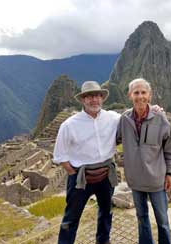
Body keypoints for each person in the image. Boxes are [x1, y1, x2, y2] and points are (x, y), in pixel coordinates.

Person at [53, 81, 120, 244]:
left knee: (106, 211)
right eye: (89, 96)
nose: (94, 100)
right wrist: (73, 173)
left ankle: (103, 241)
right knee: (71, 218)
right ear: (83, 99)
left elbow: (135, 116)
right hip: (80, 177)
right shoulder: (69, 125)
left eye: (97, 96)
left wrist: (154, 109)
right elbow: (60, 155)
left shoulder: (113, 118)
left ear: (102, 98)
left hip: (106, 175)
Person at [117, 78, 171, 244]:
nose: (140, 96)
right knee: (142, 218)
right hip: (135, 181)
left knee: (162, 222)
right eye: (136, 92)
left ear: (149, 95)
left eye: (143, 92)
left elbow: (170, 148)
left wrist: (169, 173)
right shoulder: (124, 120)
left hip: (156, 180)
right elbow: (112, 139)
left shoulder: (160, 119)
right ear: (130, 95)